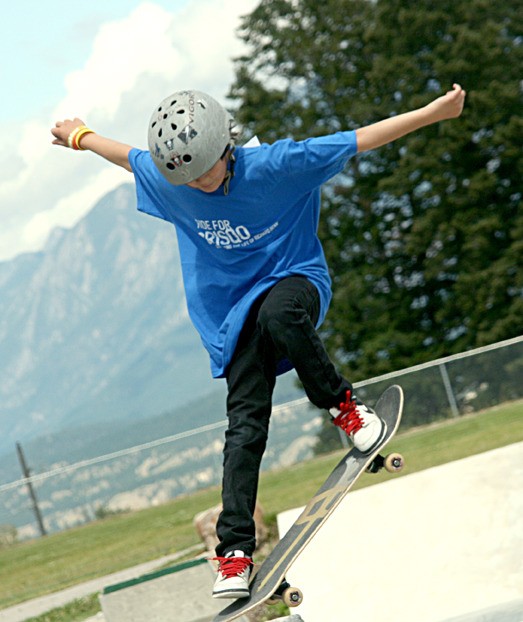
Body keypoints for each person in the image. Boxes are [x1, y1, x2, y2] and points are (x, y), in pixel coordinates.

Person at [51, 84, 466, 598]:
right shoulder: (173, 179)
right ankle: (235, 554)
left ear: (228, 145)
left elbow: (358, 140)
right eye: (188, 177)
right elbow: (128, 158)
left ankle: (345, 409)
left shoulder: (279, 165)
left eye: (207, 171)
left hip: (297, 283)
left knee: (279, 312)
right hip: (235, 315)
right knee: (244, 424)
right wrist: (81, 137)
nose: (200, 184)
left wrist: (432, 112)